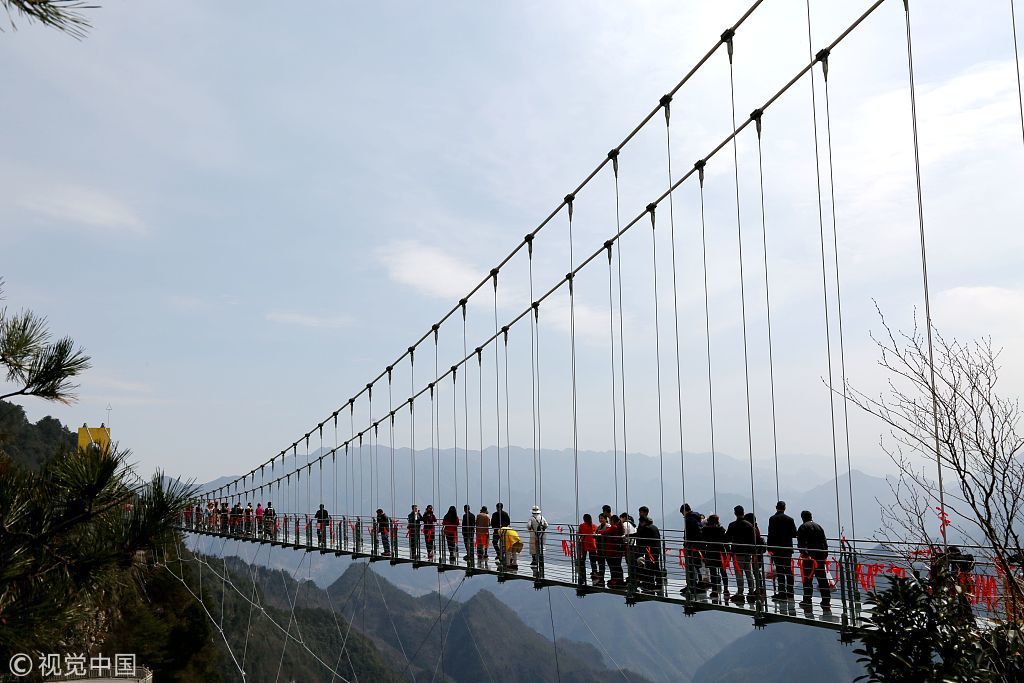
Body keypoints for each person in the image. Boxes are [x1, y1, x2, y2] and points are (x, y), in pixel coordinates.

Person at [797, 510, 831, 609]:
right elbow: (824, 542)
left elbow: (801, 544)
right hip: (820, 557)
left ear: (802, 517)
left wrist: (806, 555)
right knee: (822, 579)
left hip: (809, 559)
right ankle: (826, 600)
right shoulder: (819, 526)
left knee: (807, 579)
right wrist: (824, 555)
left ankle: (807, 600)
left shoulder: (803, 527)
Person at [726, 505, 757, 604]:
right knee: (749, 572)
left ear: (735, 513)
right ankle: (751, 592)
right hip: (747, 552)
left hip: (737, 552)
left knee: (739, 573)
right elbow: (753, 540)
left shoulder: (732, 525)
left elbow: (727, 538)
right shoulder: (749, 525)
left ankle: (740, 593)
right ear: (743, 512)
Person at [767, 500, 797, 600]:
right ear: (785, 508)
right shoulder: (790, 519)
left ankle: (782, 593)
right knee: (788, 570)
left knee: (779, 571)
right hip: (787, 549)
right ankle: (790, 592)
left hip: (776, 549)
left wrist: (769, 547)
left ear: (776, 507)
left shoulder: (772, 519)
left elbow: (770, 534)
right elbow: (794, 534)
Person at [680, 503, 705, 595]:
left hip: (691, 545)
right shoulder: (697, 517)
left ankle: (691, 584)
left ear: (684, 511)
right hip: (698, 545)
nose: (683, 515)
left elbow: (689, 533)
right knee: (697, 565)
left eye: (682, 513)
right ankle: (699, 584)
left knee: (690, 565)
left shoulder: (689, 519)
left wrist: (686, 542)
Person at [702, 514, 728, 598]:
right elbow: (725, 541)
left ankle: (714, 591)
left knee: (713, 572)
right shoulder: (721, 529)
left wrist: (703, 554)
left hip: (710, 552)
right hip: (720, 552)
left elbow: (703, 541)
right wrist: (728, 552)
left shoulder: (705, 530)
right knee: (723, 571)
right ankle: (726, 589)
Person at [634, 514, 662, 591]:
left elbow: (639, 536)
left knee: (650, 567)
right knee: (656, 567)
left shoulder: (646, 528)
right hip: (656, 549)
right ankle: (659, 583)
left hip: (650, 551)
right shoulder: (654, 527)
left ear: (642, 522)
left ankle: (651, 584)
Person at [600, 514, 625, 588]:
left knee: (612, 566)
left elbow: (604, 532)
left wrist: (600, 531)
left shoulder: (614, 527)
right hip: (617, 550)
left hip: (611, 550)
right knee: (617, 566)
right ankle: (619, 580)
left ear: (612, 521)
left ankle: (614, 580)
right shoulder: (620, 527)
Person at [745, 512, 767, 598]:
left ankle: (759, 588)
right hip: (758, 553)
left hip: (755, 553)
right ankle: (760, 587)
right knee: (756, 571)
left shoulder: (752, 528)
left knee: (756, 571)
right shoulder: (756, 527)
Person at [577, 513, 599, 584]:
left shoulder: (582, 526)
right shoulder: (594, 526)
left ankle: (582, 574)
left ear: (584, 519)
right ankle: (594, 573)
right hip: (593, 544)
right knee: (593, 561)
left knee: (582, 559)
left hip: (585, 544)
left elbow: (579, 533)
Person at [595, 513, 610, 586]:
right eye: (600, 518)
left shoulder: (608, 526)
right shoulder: (599, 527)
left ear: (605, 519)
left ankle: (611, 579)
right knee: (601, 565)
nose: (600, 520)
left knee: (609, 564)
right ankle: (601, 579)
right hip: (600, 548)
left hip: (606, 549)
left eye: (602, 518)